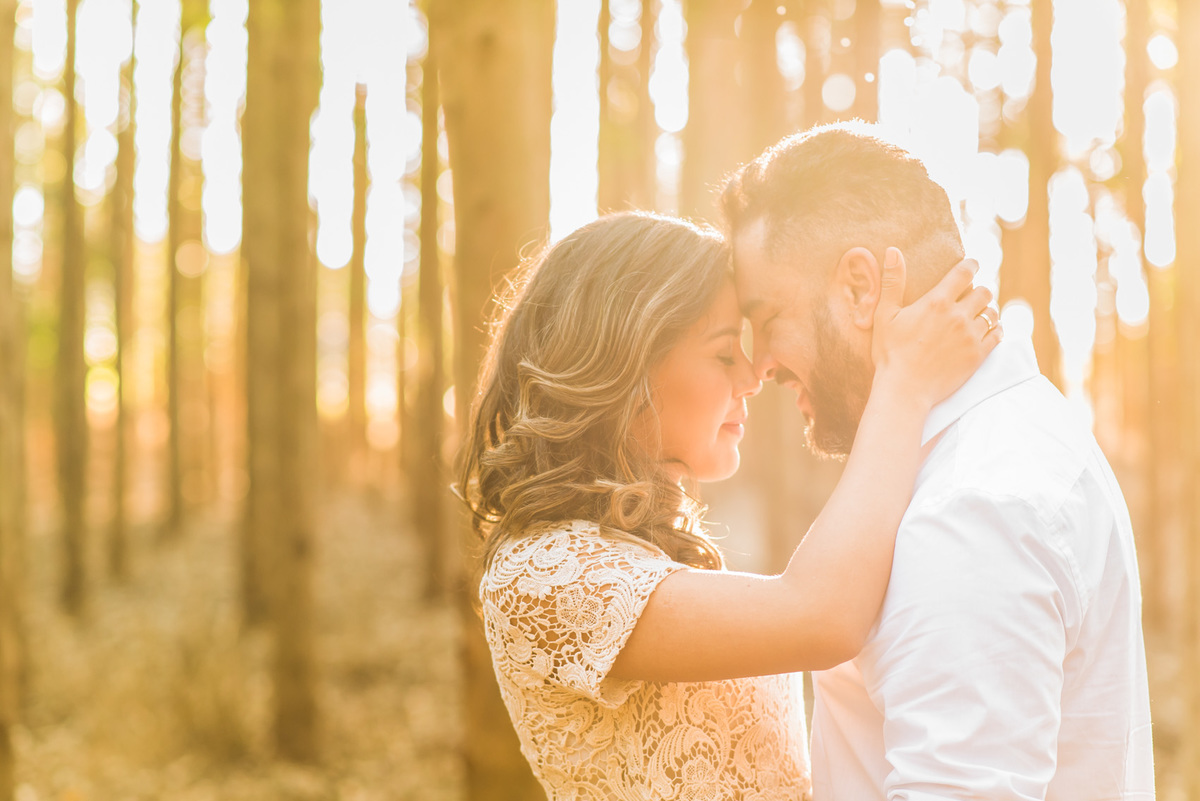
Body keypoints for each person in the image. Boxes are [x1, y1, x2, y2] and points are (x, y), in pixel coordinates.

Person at [458, 209, 1000, 800]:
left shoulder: (640, 556)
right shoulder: (543, 576)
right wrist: (904, 384)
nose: (750, 377)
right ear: (624, 366)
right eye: (722, 354)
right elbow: (821, 616)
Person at [721, 121, 1155, 799]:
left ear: (861, 289)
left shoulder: (975, 506)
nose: (761, 363)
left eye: (768, 317)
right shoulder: (1007, 440)